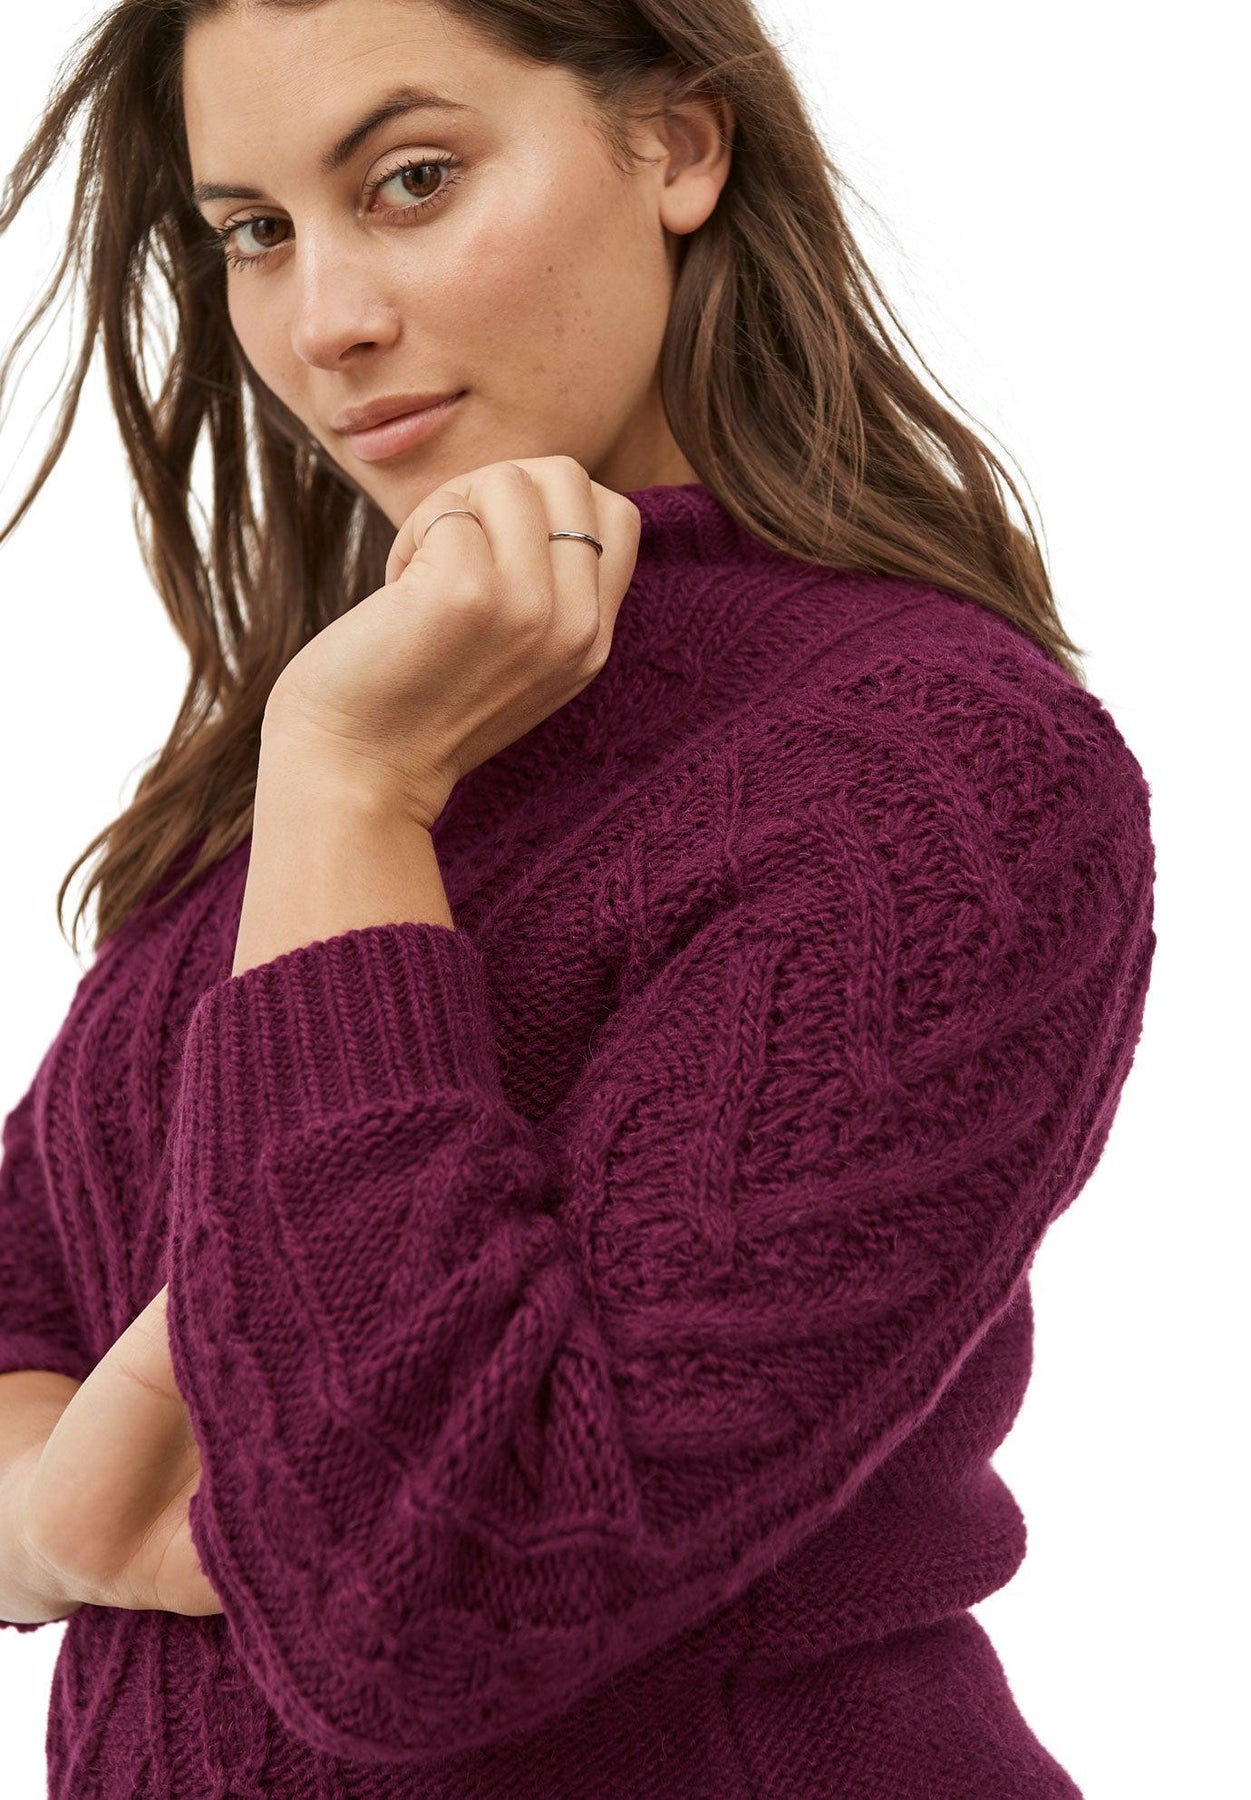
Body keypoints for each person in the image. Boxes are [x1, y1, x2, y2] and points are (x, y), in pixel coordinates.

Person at [0, 2, 1156, 1796]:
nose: (323, 321)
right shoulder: (361, 721)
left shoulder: (946, 772)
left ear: (676, 145)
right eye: (257, 230)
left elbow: (432, 1600)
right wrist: (46, 1517)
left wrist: (355, 791)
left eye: (412, 180)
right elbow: (30, 1278)